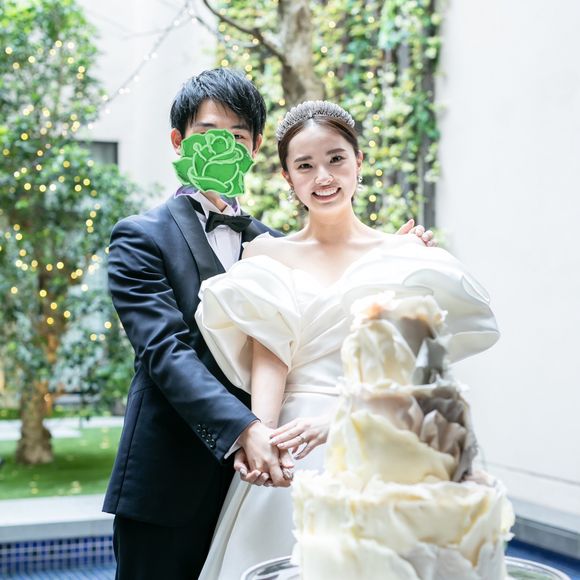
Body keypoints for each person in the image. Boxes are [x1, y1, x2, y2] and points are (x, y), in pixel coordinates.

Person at [104, 72, 431, 579]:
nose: (223, 147)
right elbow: (164, 350)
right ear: (178, 141)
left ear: (255, 147)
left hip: (273, 473)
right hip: (172, 477)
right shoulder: (140, 237)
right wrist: (246, 430)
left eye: (237, 136)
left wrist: (399, 259)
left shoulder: (272, 245)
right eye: (207, 133)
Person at [195, 100, 499, 578]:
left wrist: (339, 420)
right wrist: (264, 438)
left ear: (359, 161)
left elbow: (420, 377)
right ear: (287, 177)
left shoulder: (404, 255)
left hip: (382, 436)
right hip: (294, 441)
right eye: (305, 166)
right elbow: (271, 356)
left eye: (336, 159)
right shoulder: (266, 254)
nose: (323, 177)